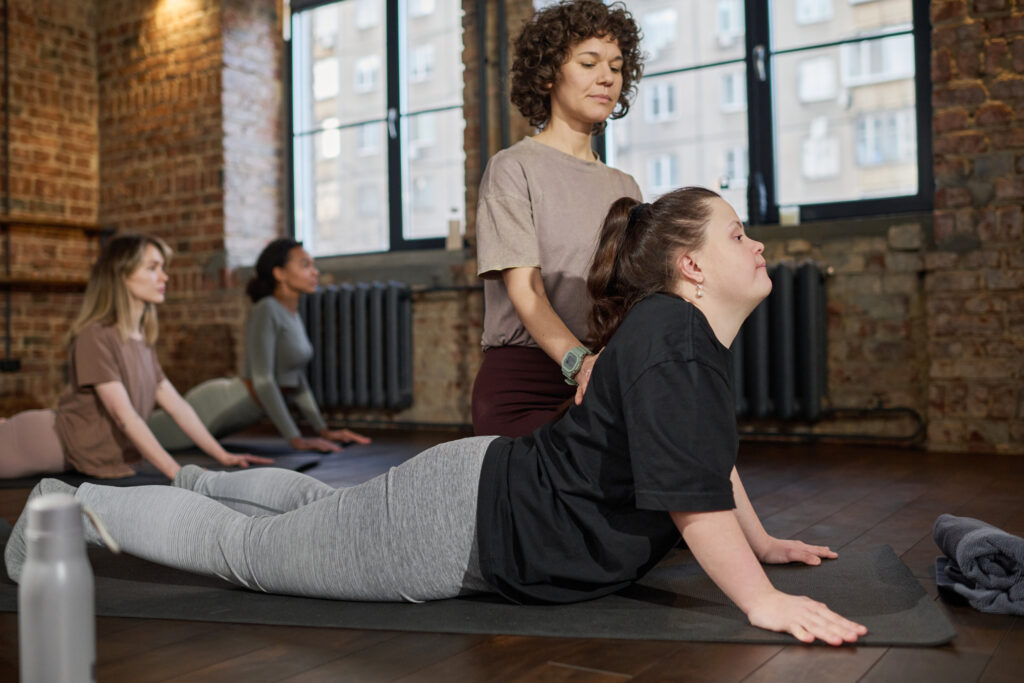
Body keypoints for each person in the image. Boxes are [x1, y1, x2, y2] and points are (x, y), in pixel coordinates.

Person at [5, 189, 867, 646]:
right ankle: (62, 508)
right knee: (249, 554)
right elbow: (691, 496)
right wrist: (759, 601)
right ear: (691, 263)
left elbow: (704, 462)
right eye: (739, 235)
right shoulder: (672, 335)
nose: (758, 247)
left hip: (474, 492)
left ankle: (193, 480)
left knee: (315, 509)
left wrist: (760, 544)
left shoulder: (680, 339)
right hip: (457, 528)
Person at [471, 0, 644, 437]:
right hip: (524, 385)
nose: (607, 77)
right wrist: (579, 363)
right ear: (548, 74)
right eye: (589, 62)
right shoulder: (513, 168)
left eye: (617, 66)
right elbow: (526, 292)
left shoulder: (626, 187)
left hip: (600, 380)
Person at [0, 233, 271, 481]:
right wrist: (178, 473)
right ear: (121, 276)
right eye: (152, 268)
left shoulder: (141, 340)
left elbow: (178, 406)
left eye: (162, 268)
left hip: (80, 454)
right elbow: (124, 416)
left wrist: (222, 456)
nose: (164, 277)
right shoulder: (96, 336)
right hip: (41, 443)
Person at [146, 238, 370, 454]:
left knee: (139, 436)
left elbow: (296, 380)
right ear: (279, 273)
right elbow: (263, 381)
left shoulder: (290, 314)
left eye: (313, 265)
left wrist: (323, 431)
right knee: (137, 435)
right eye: (305, 265)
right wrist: (296, 439)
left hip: (237, 412)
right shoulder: (266, 309)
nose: (315, 272)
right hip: (217, 407)